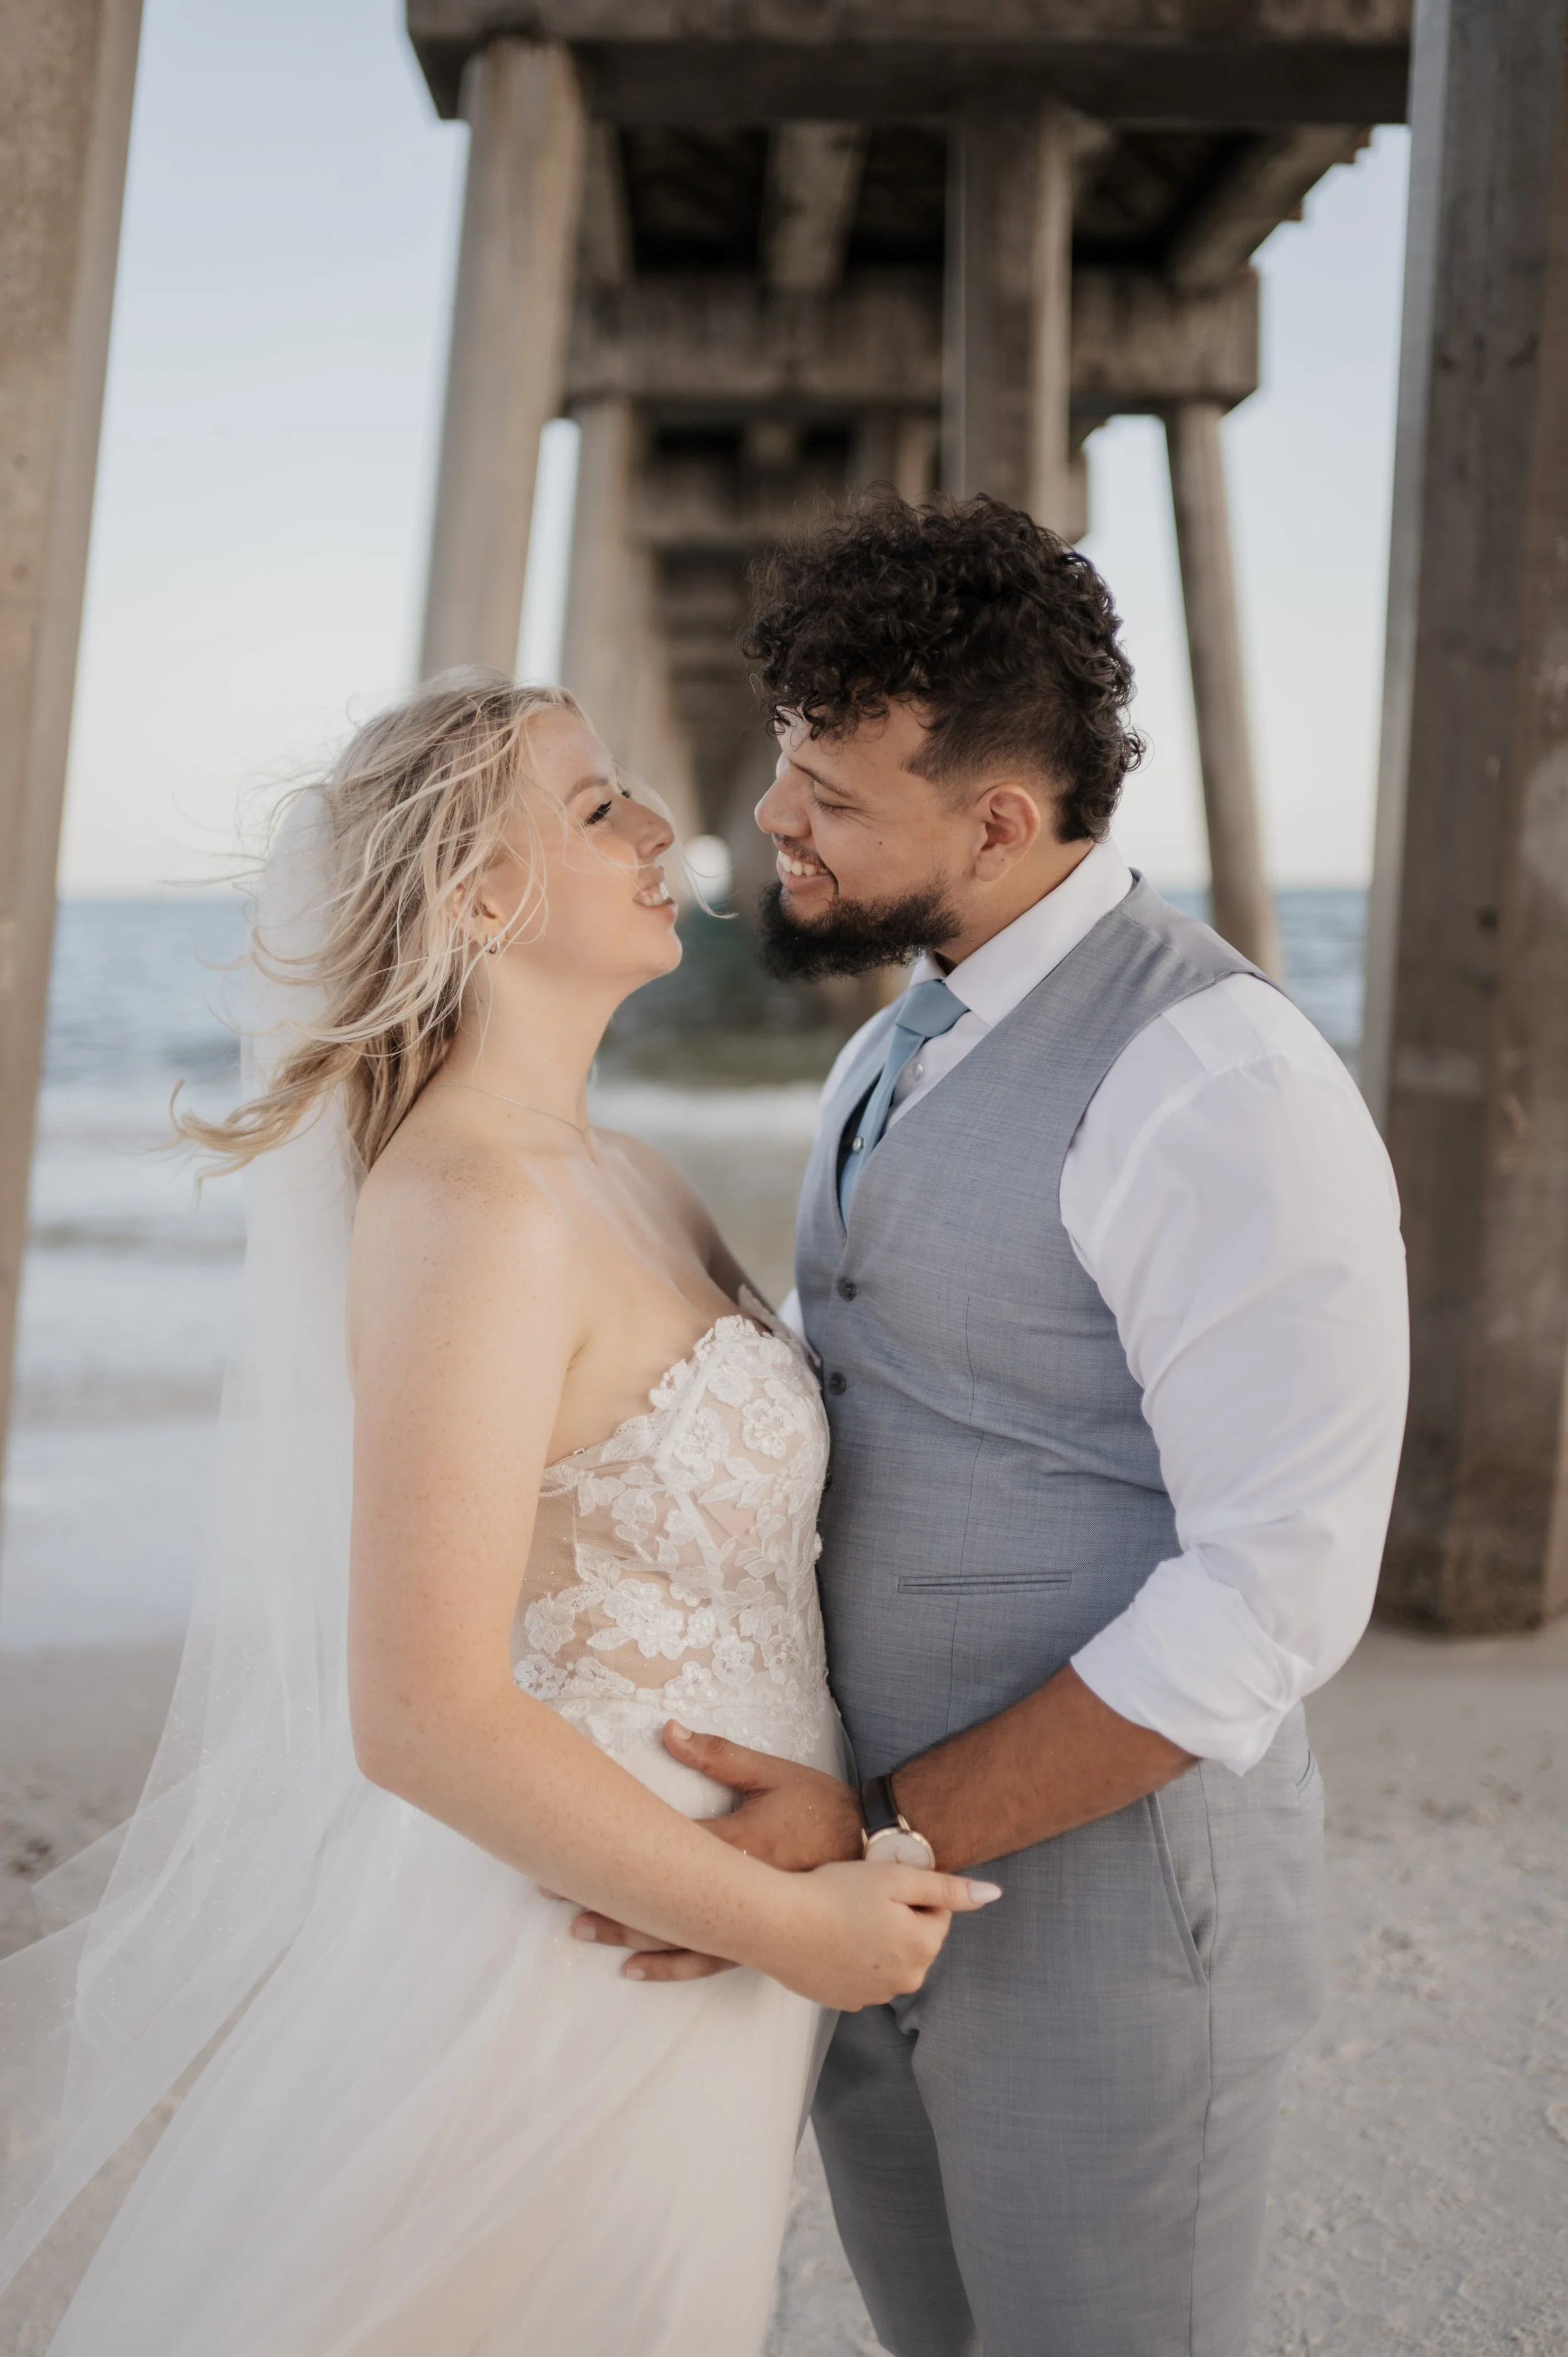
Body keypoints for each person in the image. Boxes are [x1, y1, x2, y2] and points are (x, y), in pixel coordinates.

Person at [0, 674, 995, 2357]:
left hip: (707, 1940)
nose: (659, 828)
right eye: (595, 805)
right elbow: (421, 1712)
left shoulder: (632, 1176)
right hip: (576, 1953)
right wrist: (784, 1927)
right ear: (478, 896)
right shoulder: (468, 1203)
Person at [570, 496, 1410, 2357]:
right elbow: (861, 1381)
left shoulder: (1218, 1080)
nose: (769, 819)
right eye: (784, 766)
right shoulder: (895, 1040)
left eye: (829, 793)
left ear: (999, 824)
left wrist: (872, 1828)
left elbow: (1272, 1596)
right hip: (859, 1889)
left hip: (1094, 1906)